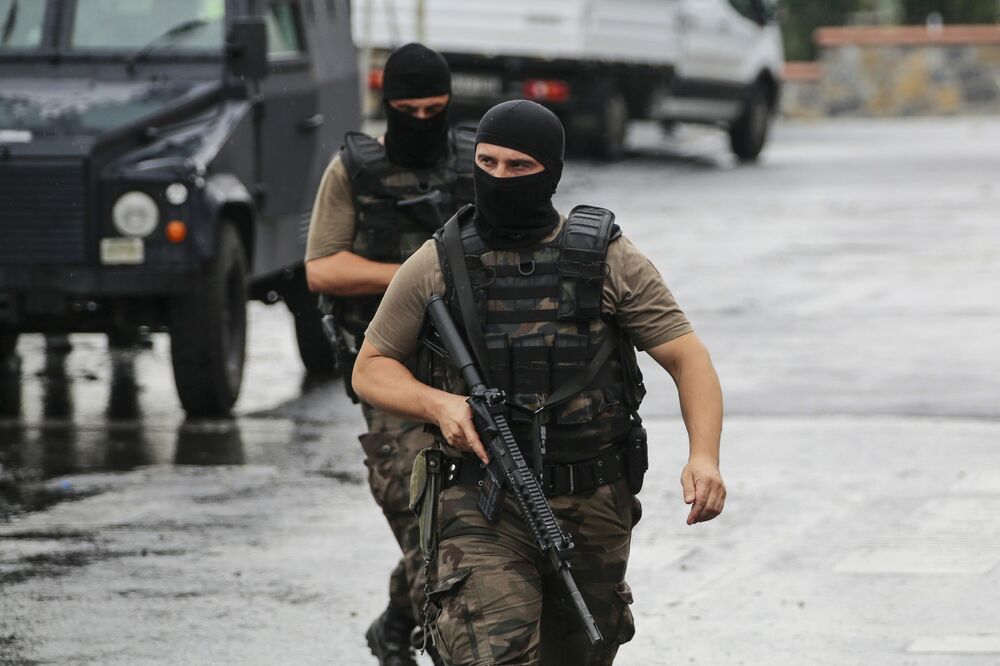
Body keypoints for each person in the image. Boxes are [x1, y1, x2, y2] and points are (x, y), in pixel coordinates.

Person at [352, 99, 727, 665]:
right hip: (480, 498)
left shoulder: (606, 260)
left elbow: (687, 357)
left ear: (550, 173)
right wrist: (439, 405)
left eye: (518, 167)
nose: (499, 178)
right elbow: (371, 367)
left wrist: (705, 457)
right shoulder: (438, 263)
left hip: (593, 497)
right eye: (488, 162)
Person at [304, 43, 474, 666]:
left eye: (435, 108)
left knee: (481, 521)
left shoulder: (478, 159)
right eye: (409, 108)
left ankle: (399, 620)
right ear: (389, 103)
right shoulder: (354, 170)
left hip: (476, 371)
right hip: (390, 371)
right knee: (424, 516)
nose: (423, 119)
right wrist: (415, 276)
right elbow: (322, 268)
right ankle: (431, 631)